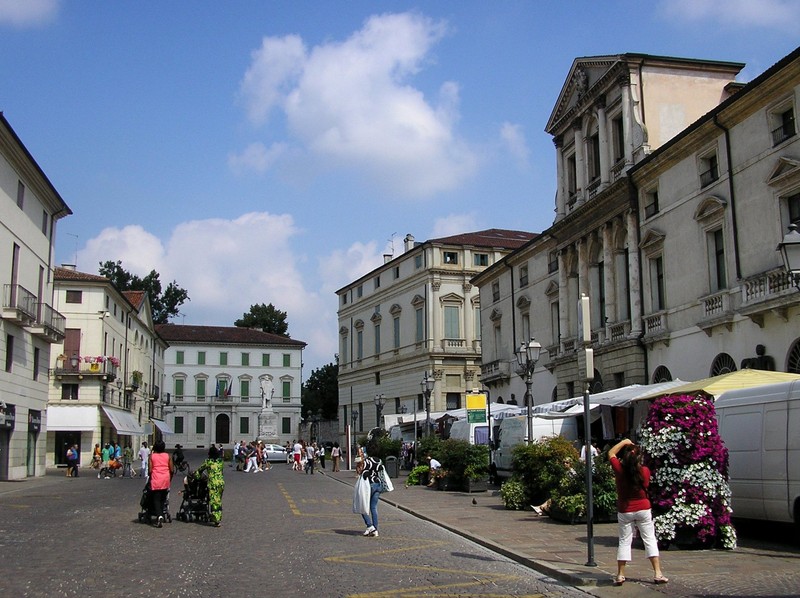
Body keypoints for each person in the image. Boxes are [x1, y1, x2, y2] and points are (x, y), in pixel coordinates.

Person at [608, 438, 668, 586]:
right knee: (650, 539)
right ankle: (658, 573)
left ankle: (621, 574)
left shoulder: (619, 469)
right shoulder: (645, 471)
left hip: (625, 509)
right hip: (643, 508)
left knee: (624, 541)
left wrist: (624, 442)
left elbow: (611, 453)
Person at [357, 441, 383, 537]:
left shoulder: (367, 461)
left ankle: (369, 525)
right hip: (378, 484)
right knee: (373, 507)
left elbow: (364, 473)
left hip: (369, 485)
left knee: (362, 506)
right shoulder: (379, 461)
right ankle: (375, 529)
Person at [195, 445, 225, 527]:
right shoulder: (220, 462)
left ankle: (216, 519)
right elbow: (221, 472)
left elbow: (199, 470)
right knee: (218, 500)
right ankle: (217, 516)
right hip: (221, 483)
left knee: (214, 501)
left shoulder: (208, 462)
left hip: (213, 483)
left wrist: (197, 477)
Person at [148, 440, 174, 528]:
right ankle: (161, 513)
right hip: (165, 478)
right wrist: (170, 479)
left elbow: (150, 470)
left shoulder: (152, 456)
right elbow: (172, 470)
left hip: (156, 479)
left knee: (156, 499)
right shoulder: (168, 456)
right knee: (163, 498)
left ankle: (159, 516)